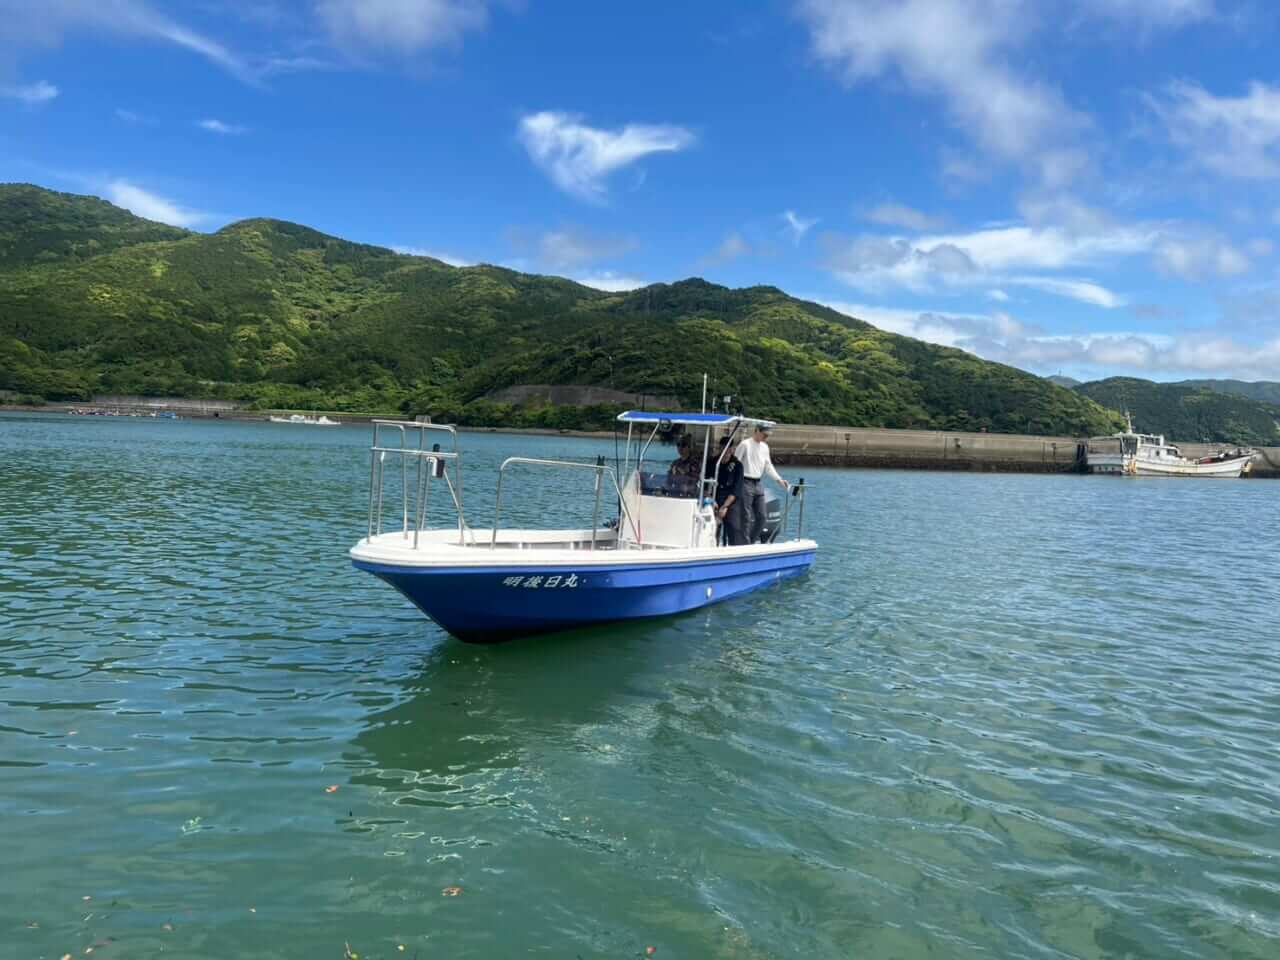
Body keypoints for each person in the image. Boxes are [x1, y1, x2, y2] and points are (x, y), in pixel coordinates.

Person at [734, 422, 789, 543]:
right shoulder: (745, 444)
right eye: (764, 434)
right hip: (745, 482)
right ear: (757, 430)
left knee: (762, 516)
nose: (766, 437)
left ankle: (751, 542)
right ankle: (744, 544)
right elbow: (735, 464)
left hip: (758, 483)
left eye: (768, 435)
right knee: (746, 517)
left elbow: (768, 466)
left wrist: (779, 479)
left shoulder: (765, 447)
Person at [713, 435, 744, 545]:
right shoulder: (712, 463)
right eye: (722, 448)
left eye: (727, 448)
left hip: (731, 500)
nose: (724, 451)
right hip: (714, 498)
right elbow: (706, 484)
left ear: (732, 449)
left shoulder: (737, 465)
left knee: (733, 526)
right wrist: (712, 501)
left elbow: (736, 490)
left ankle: (734, 549)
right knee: (712, 527)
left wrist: (724, 507)